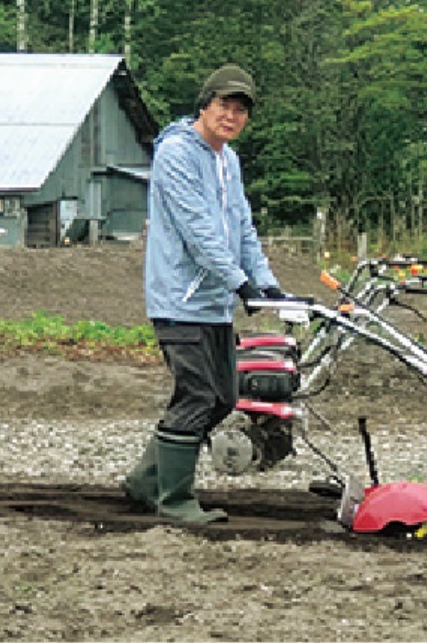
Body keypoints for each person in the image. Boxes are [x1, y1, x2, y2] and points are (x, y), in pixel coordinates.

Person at [124, 63, 284, 524]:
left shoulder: (227, 160)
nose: (230, 117)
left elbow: (242, 227)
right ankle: (174, 501)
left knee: (222, 398)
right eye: (223, 106)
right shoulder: (175, 154)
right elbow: (199, 232)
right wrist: (240, 282)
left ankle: (145, 482)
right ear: (204, 105)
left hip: (214, 304)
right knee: (195, 396)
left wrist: (265, 280)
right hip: (180, 299)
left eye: (240, 111)